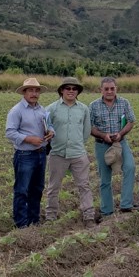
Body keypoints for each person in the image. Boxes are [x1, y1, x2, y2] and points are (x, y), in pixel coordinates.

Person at [44, 77, 99, 226]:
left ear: (78, 92)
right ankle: (50, 217)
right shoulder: (51, 108)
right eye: (68, 88)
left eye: (74, 89)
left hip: (78, 154)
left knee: (84, 186)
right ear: (61, 90)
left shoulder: (83, 109)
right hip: (57, 153)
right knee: (53, 187)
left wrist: (78, 144)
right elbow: (46, 129)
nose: (71, 91)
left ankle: (88, 216)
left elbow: (86, 131)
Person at [5, 78, 54, 228]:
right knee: (22, 190)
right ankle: (21, 224)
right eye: (31, 90)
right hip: (25, 155)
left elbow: (50, 125)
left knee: (37, 189)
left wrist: (51, 132)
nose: (34, 93)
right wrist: (28, 139)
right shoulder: (16, 111)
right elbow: (10, 132)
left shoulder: (42, 110)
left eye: (36, 90)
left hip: (41, 154)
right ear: (24, 92)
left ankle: (34, 220)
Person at [89, 77, 138, 216]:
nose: (109, 91)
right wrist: (103, 135)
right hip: (101, 144)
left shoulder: (124, 103)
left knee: (130, 167)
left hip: (120, 143)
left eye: (112, 88)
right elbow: (90, 127)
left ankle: (126, 204)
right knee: (105, 178)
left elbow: (131, 121)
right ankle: (107, 211)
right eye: (106, 89)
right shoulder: (93, 105)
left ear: (116, 88)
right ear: (101, 90)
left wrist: (120, 134)